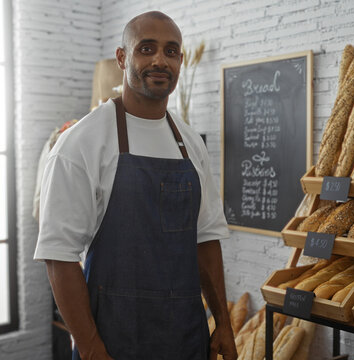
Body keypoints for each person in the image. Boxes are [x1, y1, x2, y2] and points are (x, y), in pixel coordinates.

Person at [34, 10, 237, 360]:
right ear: (122, 58)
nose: (160, 60)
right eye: (147, 48)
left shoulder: (191, 144)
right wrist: (92, 349)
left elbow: (206, 239)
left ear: (181, 62)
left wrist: (224, 323)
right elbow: (59, 257)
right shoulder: (82, 143)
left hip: (186, 338)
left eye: (171, 51)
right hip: (113, 340)